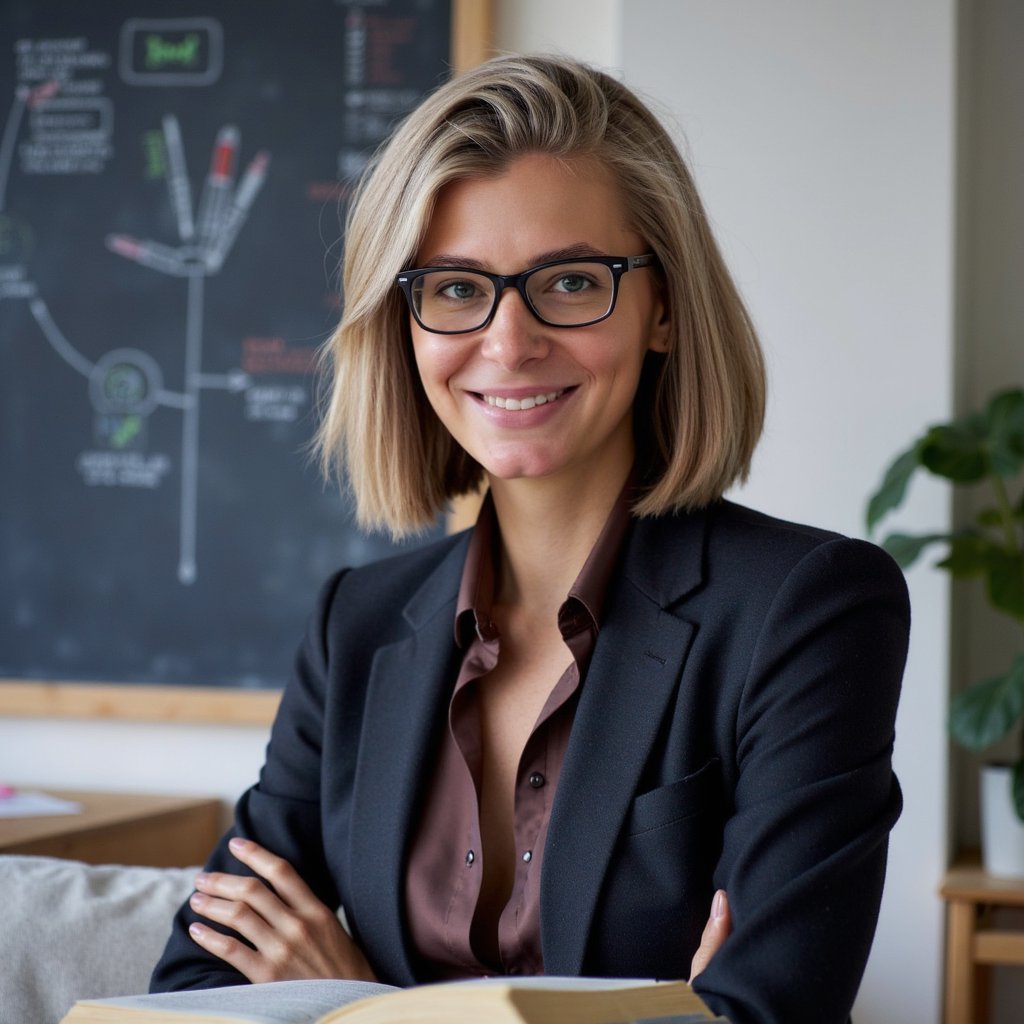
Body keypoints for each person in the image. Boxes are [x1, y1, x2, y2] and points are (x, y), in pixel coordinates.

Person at [150, 54, 909, 1024]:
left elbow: (770, 1013)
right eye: (457, 289)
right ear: (406, 321)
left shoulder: (808, 605)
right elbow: (193, 990)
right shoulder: (358, 623)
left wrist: (362, 1004)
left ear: (663, 306)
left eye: (570, 280)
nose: (508, 342)